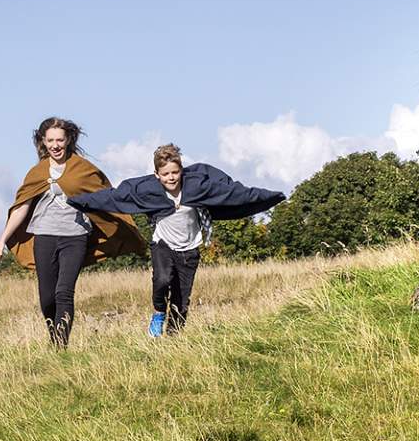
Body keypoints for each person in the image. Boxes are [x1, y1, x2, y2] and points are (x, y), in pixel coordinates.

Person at [70, 144, 284, 336]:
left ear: (181, 171)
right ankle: (158, 313)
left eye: (175, 172)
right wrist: (79, 202)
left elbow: (234, 193)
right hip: (163, 244)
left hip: (190, 247)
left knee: (182, 298)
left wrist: (270, 196)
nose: (171, 178)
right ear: (157, 175)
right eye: (165, 174)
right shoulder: (148, 191)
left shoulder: (197, 187)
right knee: (162, 280)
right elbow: (114, 196)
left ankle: (174, 337)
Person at [0, 117, 145, 348]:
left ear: (68, 139)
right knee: (47, 298)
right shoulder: (37, 172)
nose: (55, 145)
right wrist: (2, 240)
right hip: (44, 236)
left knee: (64, 292)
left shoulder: (82, 169)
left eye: (59, 140)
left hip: (75, 236)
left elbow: (104, 195)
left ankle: (60, 345)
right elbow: (22, 206)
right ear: (43, 142)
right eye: (50, 140)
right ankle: (53, 333)